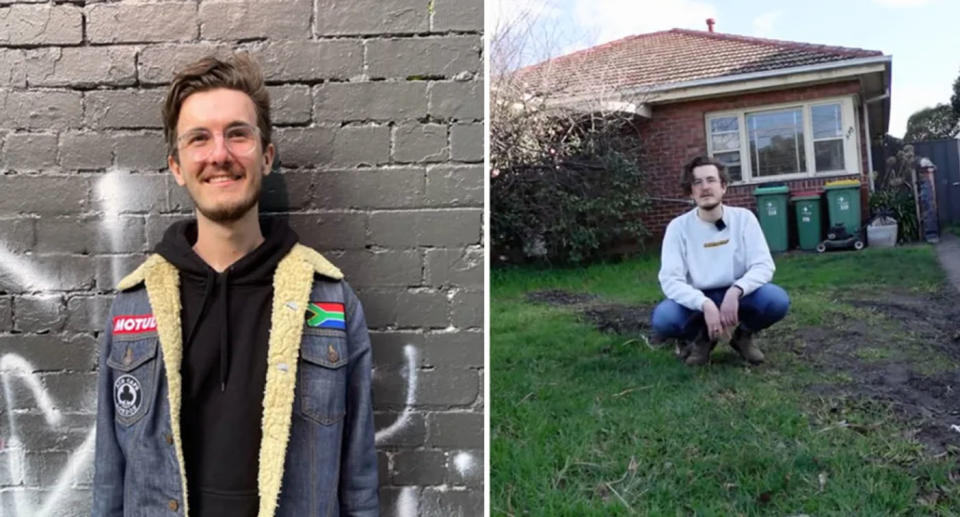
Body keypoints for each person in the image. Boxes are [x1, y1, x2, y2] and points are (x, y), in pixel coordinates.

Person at [92, 54, 378, 516]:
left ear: (266, 156)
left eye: (237, 134)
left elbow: (358, 480)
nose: (219, 155)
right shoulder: (133, 306)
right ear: (177, 166)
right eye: (199, 139)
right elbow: (109, 479)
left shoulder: (330, 301)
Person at [650, 156, 790, 366]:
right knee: (664, 318)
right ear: (690, 192)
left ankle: (742, 337)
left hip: (740, 295)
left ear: (723, 186)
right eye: (697, 182)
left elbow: (763, 265)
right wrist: (704, 303)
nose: (705, 187)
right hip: (698, 299)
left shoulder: (744, 218)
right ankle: (702, 340)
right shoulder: (678, 228)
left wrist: (736, 291)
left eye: (711, 180)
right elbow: (670, 280)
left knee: (776, 300)